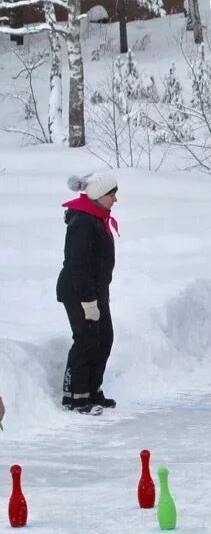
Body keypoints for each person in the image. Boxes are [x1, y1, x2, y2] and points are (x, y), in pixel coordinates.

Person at [57, 172, 120, 414]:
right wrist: (89, 302)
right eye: (111, 195)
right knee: (86, 339)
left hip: (95, 290)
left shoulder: (97, 218)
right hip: (78, 291)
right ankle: (75, 397)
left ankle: (93, 390)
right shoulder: (83, 222)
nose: (115, 199)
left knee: (104, 337)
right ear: (99, 196)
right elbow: (78, 265)